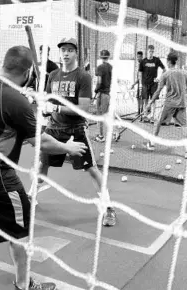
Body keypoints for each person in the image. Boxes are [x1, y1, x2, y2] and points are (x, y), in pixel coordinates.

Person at [0, 46, 88, 290]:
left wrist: (26, 103)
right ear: (28, 71)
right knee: (21, 230)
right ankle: (24, 284)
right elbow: (41, 142)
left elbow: (3, 119)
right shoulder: (14, 99)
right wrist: (69, 148)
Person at [38, 37, 117, 227]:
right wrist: (44, 105)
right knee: (41, 165)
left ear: (76, 53)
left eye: (69, 50)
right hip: (54, 128)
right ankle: (31, 197)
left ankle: (108, 208)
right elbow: (49, 102)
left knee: (91, 169)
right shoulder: (53, 75)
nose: (65, 53)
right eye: (63, 50)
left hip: (76, 130)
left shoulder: (83, 77)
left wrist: (54, 108)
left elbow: (83, 109)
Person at [143, 52, 187, 159]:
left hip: (169, 103)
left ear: (169, 61)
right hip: (182, 104)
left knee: (158, 122)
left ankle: (152, 144)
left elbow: (157, 91)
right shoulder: (185, 73)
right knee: (184, 126)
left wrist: (149, 105)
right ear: (176, 61)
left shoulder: (165, 74)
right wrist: (186, 99)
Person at [135, 45, 166, 123]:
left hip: (154, 84)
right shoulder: (143, 61)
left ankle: (152, 116)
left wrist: (159, 78)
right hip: (145, 84)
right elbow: (140, 73)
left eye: (152, 51)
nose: (151, 53)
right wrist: (141, 84)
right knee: (145, 100)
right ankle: (145, 116)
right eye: (149, 51)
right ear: (147, 51)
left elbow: (164, 69)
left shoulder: (156, 60)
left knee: (153, 100)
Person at [93, 49, 113, 142]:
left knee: (100, 115)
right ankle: (114, 133)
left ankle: (101, 136)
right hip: (108, 94)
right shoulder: (110, 67)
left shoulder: (100, 67)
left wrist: (96, 90)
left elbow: (99, 81)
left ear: (101, 57)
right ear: (108, 57)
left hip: (102, 94)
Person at [131, 51, 144, 116]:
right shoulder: (140, 64)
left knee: (141, 98)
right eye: (137, 57)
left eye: (139, 57)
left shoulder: (143, 64)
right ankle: (139, 112)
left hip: (142, 84)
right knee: (138, 97)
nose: (138, 58)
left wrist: (134, 84)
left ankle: (141, 112)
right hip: (139, 84)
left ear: (142, 57)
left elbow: (140, 77)